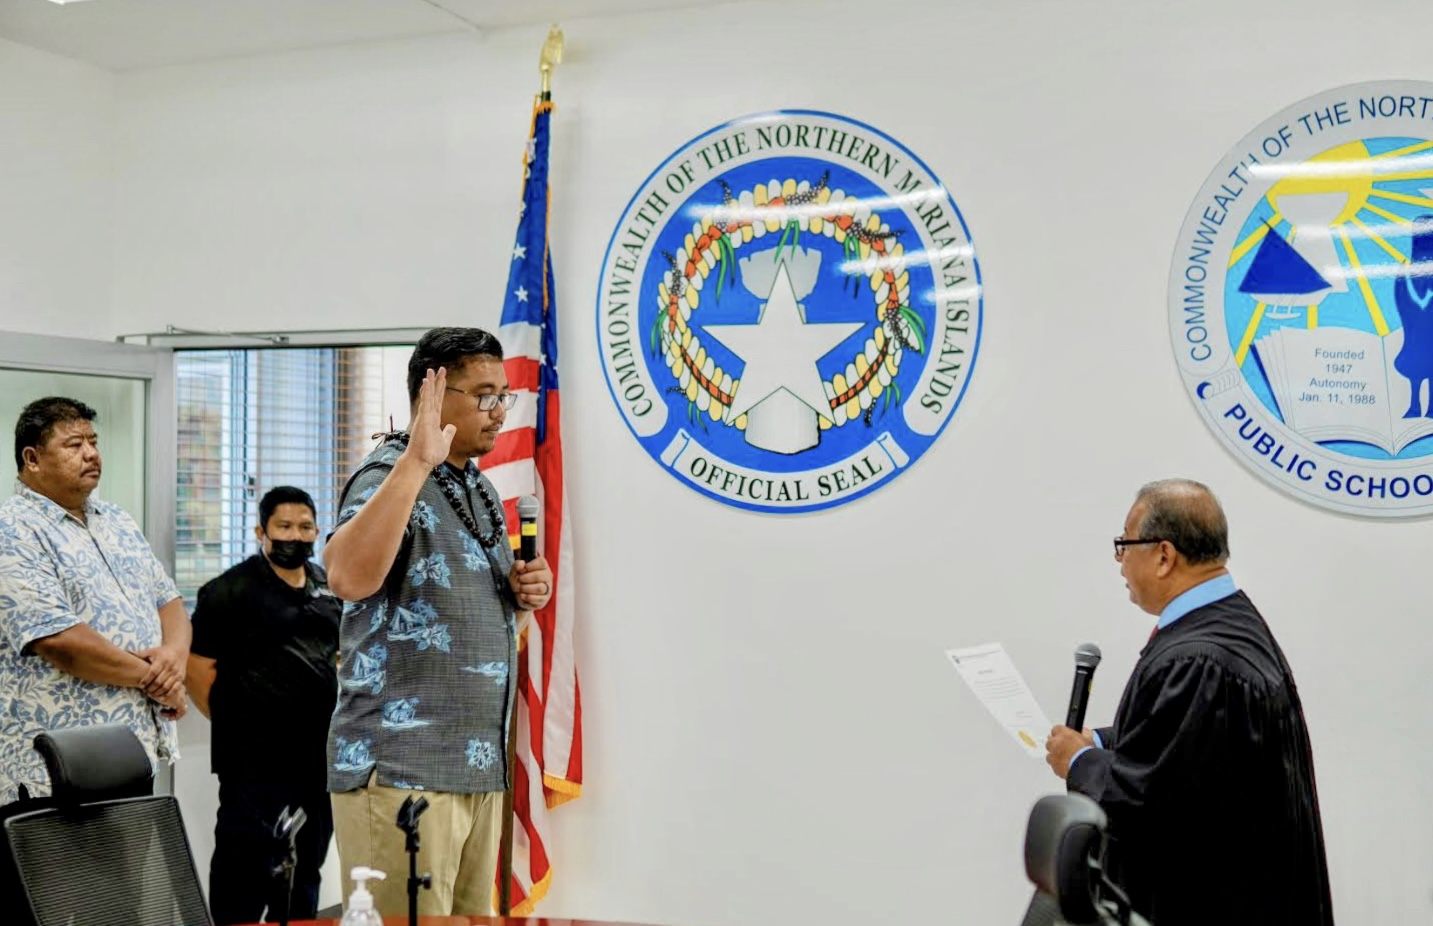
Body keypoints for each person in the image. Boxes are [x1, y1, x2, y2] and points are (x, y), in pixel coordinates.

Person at [324, 327, 552, 917]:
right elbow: (347, 577)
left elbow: (477, 626)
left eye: (504, 395)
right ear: (433, 392)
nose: (500, 411)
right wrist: (416, 461)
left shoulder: (474, 485)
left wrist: (524, 598)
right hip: (403, 765)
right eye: (484, 395)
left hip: (474, 764)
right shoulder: (386, 477)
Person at [1044, 479, 1334, 926]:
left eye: (1124, 545)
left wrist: (1081, 762)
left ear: (1164, 556)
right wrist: (1101, 739)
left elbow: (1154, 802)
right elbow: (1189, 748)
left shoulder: (1201, 661)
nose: (1119, 563)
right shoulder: (1228, 626)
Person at [0, 397, 189, 803]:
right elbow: (59, 641)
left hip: (133, 753)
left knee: (132, 870)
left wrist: (173, 660)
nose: (91, 454)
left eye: (93, 441)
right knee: (59, 871)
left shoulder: (117, 520)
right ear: (32, 458)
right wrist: (157, 682)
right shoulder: (12, 529)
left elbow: (169, 602)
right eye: (73, 445)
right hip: (53, 768)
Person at [186, 486, 341, 925]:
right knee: (245, 870)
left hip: (318, 761)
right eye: (285, 527)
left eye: (305, 526)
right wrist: (237, 724)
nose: (296, 535)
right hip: (253, 765)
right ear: (262, 531)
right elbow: (196, 670)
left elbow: (335, 656)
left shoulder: (329, 587)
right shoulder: (228, 591)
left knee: (306, 869)